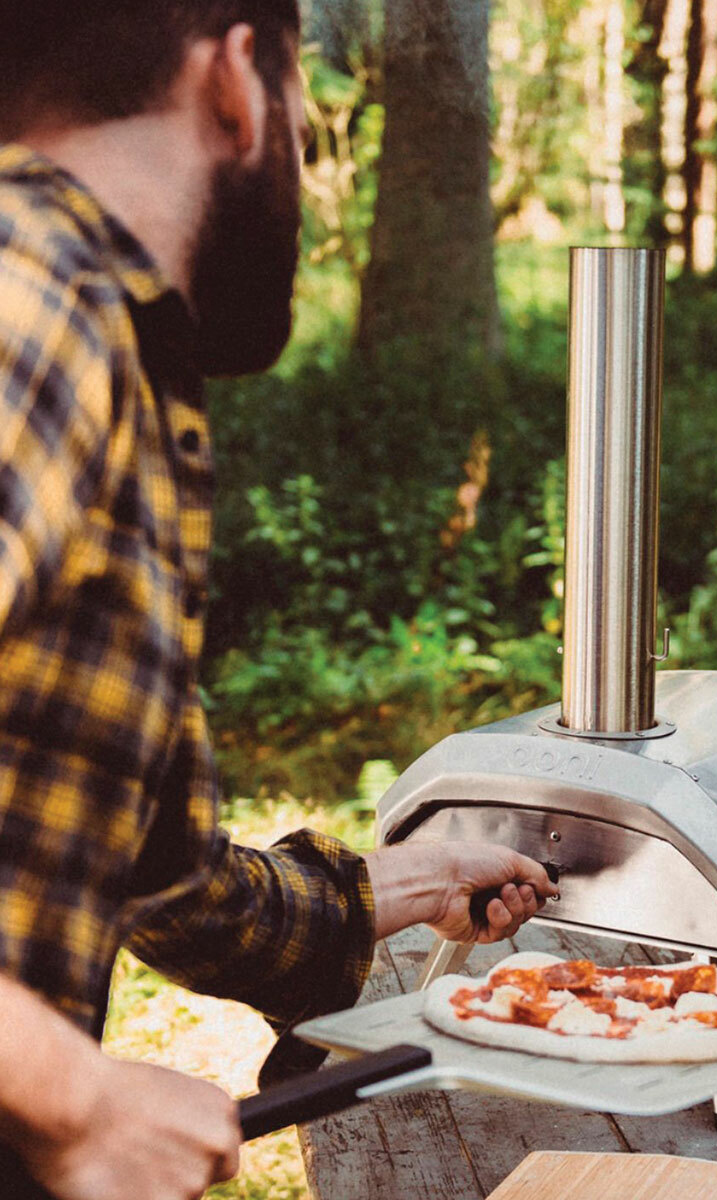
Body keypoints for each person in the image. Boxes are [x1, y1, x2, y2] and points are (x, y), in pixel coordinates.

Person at [0, 4, 554, 1197]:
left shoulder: (104, 333)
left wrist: (388, 891)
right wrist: (75, 1096)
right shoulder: (27, 301)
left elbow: (167, 885)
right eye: (312, 120)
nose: (308, 162)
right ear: (239, 85)